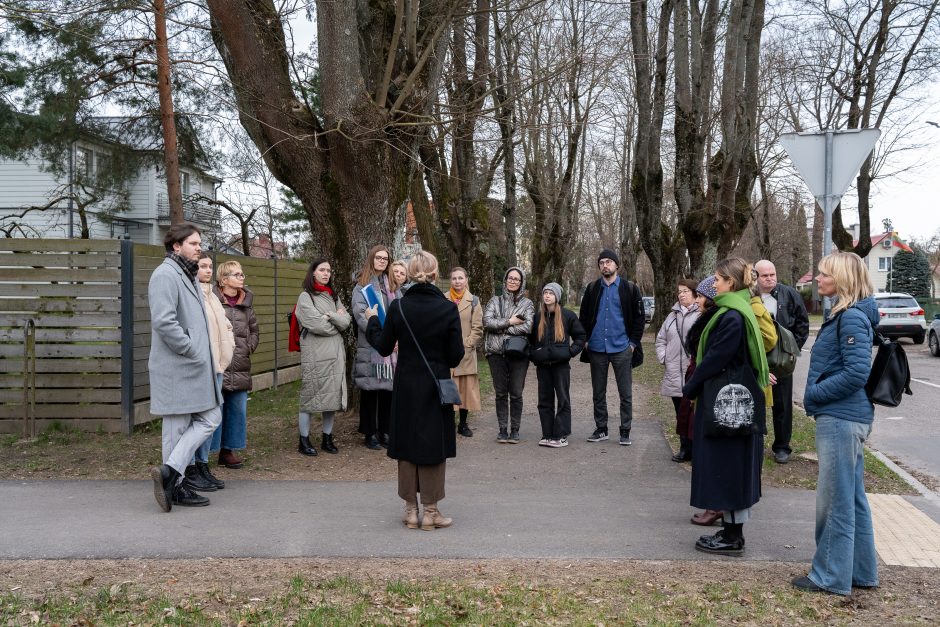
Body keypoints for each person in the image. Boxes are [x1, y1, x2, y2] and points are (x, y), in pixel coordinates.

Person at [792, 251, 879, 596]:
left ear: (841, 279)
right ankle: (861, 572)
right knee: (853, 497)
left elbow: (858, 372)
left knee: (835, 500)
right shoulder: (848, 315)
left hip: (841, 417)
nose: (817, 278)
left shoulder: (852, 319)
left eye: (824, 273)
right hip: (847, 416)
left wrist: (814, 394)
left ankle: (829, 575)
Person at [363, 251, 464, 530]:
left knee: (407, 445)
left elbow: (383, 346)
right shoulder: (447, 308)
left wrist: (373, 319)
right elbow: (456, 356)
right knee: (433, 445)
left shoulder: (399, 307)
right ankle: (431, 512)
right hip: (435, 385)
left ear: (410, 273)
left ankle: (410, 510)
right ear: (434, 274)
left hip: (406, 385)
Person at [681, 257, 769, 556]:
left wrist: (690, 387)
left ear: (731, 283)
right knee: (731, 467)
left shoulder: (732, 316)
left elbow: (714, 360)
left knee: (729, 468)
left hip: (727, 407)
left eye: (718, 278)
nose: (713, 283)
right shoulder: (735, 311)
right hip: (730, 405)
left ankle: (733, 537)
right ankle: (731, 530)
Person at [148, 223, 223, 512]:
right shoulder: (165, 274)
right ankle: (174, 487)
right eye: (193, 243)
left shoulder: (186, 274)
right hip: (177, 365)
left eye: (199, 243)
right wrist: (191, 348)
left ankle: (170, 472)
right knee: (176, 429)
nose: (199, 247)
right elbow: (164, 322)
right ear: (176, 246)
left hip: (191, 367)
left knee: (209, 417)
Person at [579, 249, 645, 445]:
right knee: (598, 392)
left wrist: (632, 344)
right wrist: (586, 340)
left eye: (608, 262)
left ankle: (625, 430)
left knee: (625, 393)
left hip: (622, 348)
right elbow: (583, 318)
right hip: (597, 348)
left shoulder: (630, 288)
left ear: (616, 265)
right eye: (601, 263)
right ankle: (601, 429)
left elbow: (639, 319)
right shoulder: (592, 289)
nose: (605, 265)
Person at [186, 253, 234, 492]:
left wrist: (230, 343)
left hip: (217, 366)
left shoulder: (212, 295)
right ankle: (192, 467)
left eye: (209, 267)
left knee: (211, 419)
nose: (206, 270)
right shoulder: (192, 295)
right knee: (201, 419)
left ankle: (204, 465)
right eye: (202, 266)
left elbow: (225, 324)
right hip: (202, 366)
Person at [754, 259, 810, 464]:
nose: (770, 279)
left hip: (782, 360)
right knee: (756, 400)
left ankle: (782, 446)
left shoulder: (789, 294)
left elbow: (802, 323)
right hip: (757, 357)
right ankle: (755, 440)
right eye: (765, 275)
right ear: (756, 277)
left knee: (782, 404)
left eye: (773, 274)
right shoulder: (751, 296)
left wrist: (792, 349)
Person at [295, 258, 351, 456]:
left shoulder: (333, 296)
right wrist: (333, 321)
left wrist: (332, 316)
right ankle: (304, 440)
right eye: (322, 270)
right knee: (310, 397)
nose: (326, 273)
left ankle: (327, 438)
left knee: (331, 398)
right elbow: (316, 325)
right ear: (313, 273)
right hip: (316, 355)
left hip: (335, 355)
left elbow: (346, 321)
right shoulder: (305, 297)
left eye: (329, 270)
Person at [212, 260, 260, 469]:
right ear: (224, 279)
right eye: (237, 274)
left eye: (242, 274)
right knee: (215, 411)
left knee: (237, 410)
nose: (242, 277)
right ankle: (205, 453)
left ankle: (228, 451)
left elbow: (255, 330)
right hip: (218, 365)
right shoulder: (212, 301)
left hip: (240, 365)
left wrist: (249, 346)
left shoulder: (246, 303)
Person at [351, 245, 400, 450]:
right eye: (378, 257)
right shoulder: (362, 286)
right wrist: (379, 336)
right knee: (370, 391)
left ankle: (386, 431)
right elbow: (361, 314)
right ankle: (370, 433)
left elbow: (400, 311)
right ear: (371, 259)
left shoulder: (394, 286)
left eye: (385, 258)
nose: (382, 261)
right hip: (371, 344)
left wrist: (397, 336)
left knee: (388, 391)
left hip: (393, 346)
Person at [528, 282, 586, 447]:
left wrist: (570, 352)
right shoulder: (538, 317)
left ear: (557, 297)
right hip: (543, 366)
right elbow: (530, 341)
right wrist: (534, 355)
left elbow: (581, 337)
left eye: (551, 293)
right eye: (545, 292)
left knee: (563, 399)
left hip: (561, 366)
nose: (547, 295)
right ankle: (547, 434)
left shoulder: (568, 316)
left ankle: (560, 435)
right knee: (544, 400)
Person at [482, 267, 534, 443]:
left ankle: (515, 429)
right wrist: (511, 322)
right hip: (496, 353)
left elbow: (527, 327)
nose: (513, 281)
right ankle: (503, 429)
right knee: (501, 393)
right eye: (510, 278)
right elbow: (488, 322)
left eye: (516, 279)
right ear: (505, 280)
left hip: (518, 354)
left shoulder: (527, 304)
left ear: (521, 283)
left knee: (516, 393)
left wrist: (501, 327)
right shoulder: (494, 301)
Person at [655, 279, 701, 461]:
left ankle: (697, 448)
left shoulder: (700, 315)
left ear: (695, 294)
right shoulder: (671, 316)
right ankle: (685, 448)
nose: (681, 294)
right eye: (679, 292)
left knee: (695, 413)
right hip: (674, 372)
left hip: (693, 372)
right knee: (680, 413)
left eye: (685, 291)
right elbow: (660, 339)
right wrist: (664, 357)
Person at [448, 267, 484, 437]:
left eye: (460, 278)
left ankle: (463, 424)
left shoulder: (474, 301)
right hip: (446, 352)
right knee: (448, 388)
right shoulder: (443, 299)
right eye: (454, 278)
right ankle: (447, 423)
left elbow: (478, 328)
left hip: (466, 353)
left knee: (465, 389)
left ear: (466, 279)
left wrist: (468, 344)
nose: (457, 281)